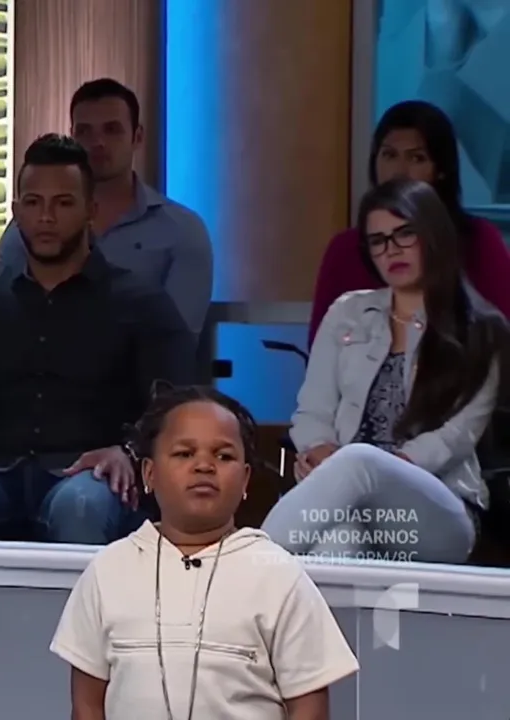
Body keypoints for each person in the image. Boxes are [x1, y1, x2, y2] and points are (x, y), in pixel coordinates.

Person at [0, 134, 196, 544]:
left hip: (91, 473)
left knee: (80, 506)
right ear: (17, 212)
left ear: (91, 211)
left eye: (63, 203)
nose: (46, 217)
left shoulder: (142, 304)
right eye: (33, 203)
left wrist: (128, 451)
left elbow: (173, 411)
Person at [51, 385, 359, 719]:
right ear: (149, 474)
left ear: (245, 480)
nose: (204, 466)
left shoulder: (278, 575)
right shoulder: (108, 571)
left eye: (223, 456)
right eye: (184, 454)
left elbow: (309, 707)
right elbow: (87, 704)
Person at [264, 178, 509, 564]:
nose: (391, 249)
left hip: (438, 511)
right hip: (351, 497)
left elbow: (456, 437)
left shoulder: (481, 329)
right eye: (377, 241)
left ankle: (245, 568)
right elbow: (312, 410)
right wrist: (317, 449)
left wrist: (365, 467)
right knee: (340, 539)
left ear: (433, 234)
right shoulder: (347, 313)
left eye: (404, 233)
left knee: (360, 462)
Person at [0, 79, 213, 338]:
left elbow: (176, 341)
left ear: (137, 137)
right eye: (84, 131)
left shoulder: (182, 231)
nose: (97, 142)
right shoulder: (31, 225)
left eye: (112, 130)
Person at [308, 100, 510, 346]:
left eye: (416, 158)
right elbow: (321, 348)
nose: (400, 170)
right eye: (389, 155)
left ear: (441, 170)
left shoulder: (478, 240)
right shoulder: (345, 249)